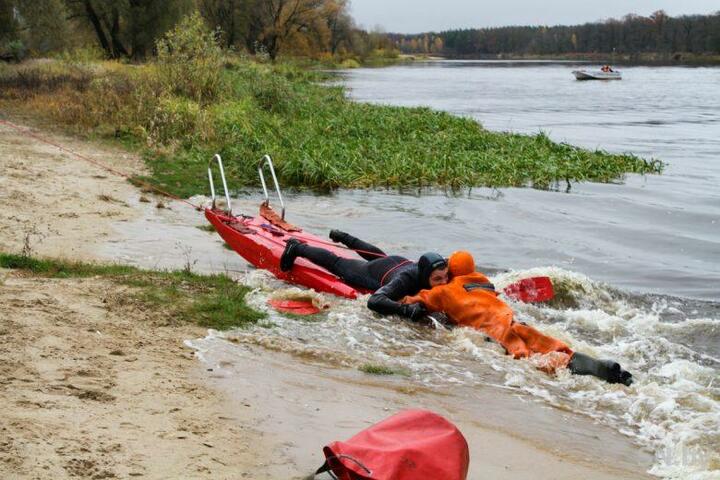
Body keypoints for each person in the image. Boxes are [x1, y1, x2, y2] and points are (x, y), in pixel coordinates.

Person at [402, 251, 633, 385]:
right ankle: (594, 365)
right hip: (514, 319)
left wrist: (409, 300)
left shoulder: (442, 291)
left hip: (497, 331)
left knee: (528, 359)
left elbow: (408, 302)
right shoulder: (484, 281)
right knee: (553, 346)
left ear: (451, 272)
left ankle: (565, 366)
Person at [279, 230, 449, 320]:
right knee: (338, 264)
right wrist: (405, 310)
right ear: (425, 275)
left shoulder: (441, 270)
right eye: (437, 279)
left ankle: (343, 236)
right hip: (377, 273)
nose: (443, 282)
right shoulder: (405, 281)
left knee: (380, 257)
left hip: (395, 261)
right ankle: (297, 247)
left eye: (445, 277)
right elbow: (374, 301)